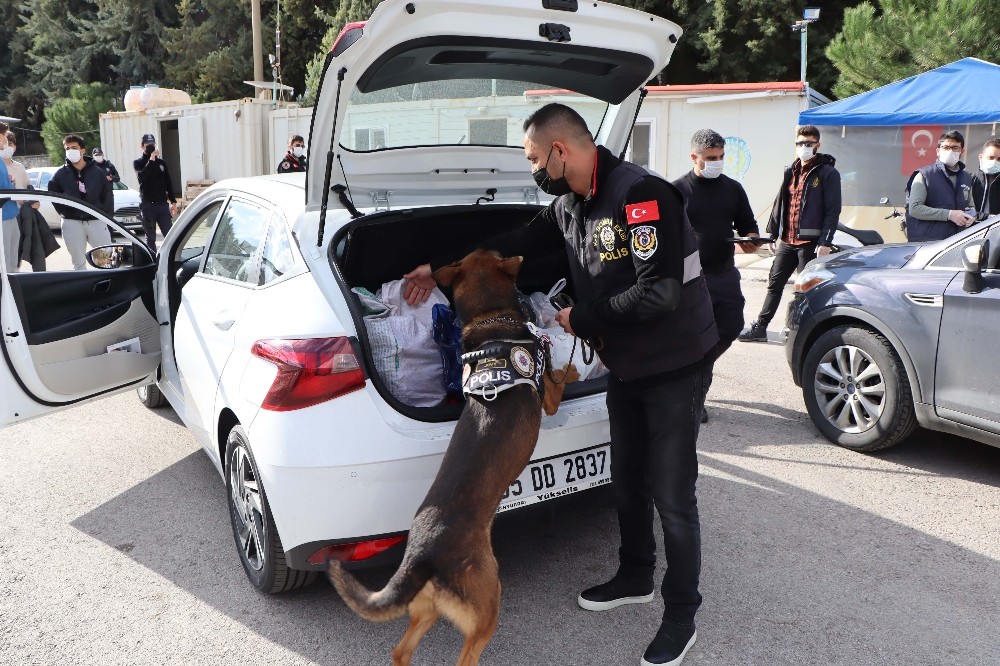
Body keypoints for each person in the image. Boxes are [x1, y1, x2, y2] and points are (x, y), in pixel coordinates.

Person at [403, 103, 718, 666]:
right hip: (627, 365)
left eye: (532, 159)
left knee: (672, 496)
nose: (533, 169)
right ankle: (635, 576)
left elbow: (660, 293)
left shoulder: (639, 196)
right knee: (627, 479)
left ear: (559, 151)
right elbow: (514, 237)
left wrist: (582, 319)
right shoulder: (569, 205)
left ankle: (681, 614)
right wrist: (438, 265)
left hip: (673, 366)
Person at [672, 129, 759, 422]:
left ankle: (695, 373)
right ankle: (695, 396)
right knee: (696, 336)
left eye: (721, 157)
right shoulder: (677, 191)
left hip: (724, 273)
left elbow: (749, 225)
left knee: (731, 326)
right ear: (694, 157)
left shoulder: (733, 189)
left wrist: (751, 239)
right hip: (692, 277)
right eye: (711, 158)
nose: (718, 162)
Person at [739, 125, 841, 343]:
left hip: (810, 243)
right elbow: (781, 203)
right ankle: (760, 327)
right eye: (800, 143)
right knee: (774, 284)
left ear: (817, 145)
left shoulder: (827, 173)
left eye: (809, 143)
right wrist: (773, 234)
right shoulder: (790, 170)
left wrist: (825, 242)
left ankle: (802, 334)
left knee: (805, 290)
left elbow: (833, 209)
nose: (804, 147)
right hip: (787, 240)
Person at [47, 134, 114, 270]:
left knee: (106, 260)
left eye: (74, 148)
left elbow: (107, 195)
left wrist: (104, 215)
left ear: (82, 150)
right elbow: (54, 196)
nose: (70, 151)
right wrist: (65, 213)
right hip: (72, 223)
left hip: (96, 221)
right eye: (67, 148)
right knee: (78, 264)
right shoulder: (60, 174)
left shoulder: (97, 172)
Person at [904, 130, 975, 241]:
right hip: (928, 243)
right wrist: (949, 214)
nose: (950, 151)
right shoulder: (925, 174)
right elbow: (915, 208)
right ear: (938, 151)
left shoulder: (966, 177)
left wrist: (972, 215)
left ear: (962, 151)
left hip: (956, 242)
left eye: (955, 148)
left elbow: (970, 206)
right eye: (945, 147)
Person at [133, 133, 177, 252]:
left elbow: (168, 182)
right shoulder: (138, 163)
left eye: (153, 144)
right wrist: (151, 160)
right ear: (142, 146)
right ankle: (153, 262)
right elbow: (142, 177)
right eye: (148, 145)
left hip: (162, 205)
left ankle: (170, 259)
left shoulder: (162, 163)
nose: (151, 147)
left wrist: (173, 201)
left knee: (170, 235)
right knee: (151, 238)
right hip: (148, 205)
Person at [0, 126, 22, 272]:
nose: (7, 141)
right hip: (2, 219)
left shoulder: (1, 160)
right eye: (6, 137)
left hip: (11, 216)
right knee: (5, 267)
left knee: (12, 266)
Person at [972, 137, 1000, 219]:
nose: (995, 162)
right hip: (969, 230)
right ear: (980, 157)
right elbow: (962, 209)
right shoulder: (969, 180)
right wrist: (987, 217)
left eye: (999, 159)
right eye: (991, 157)